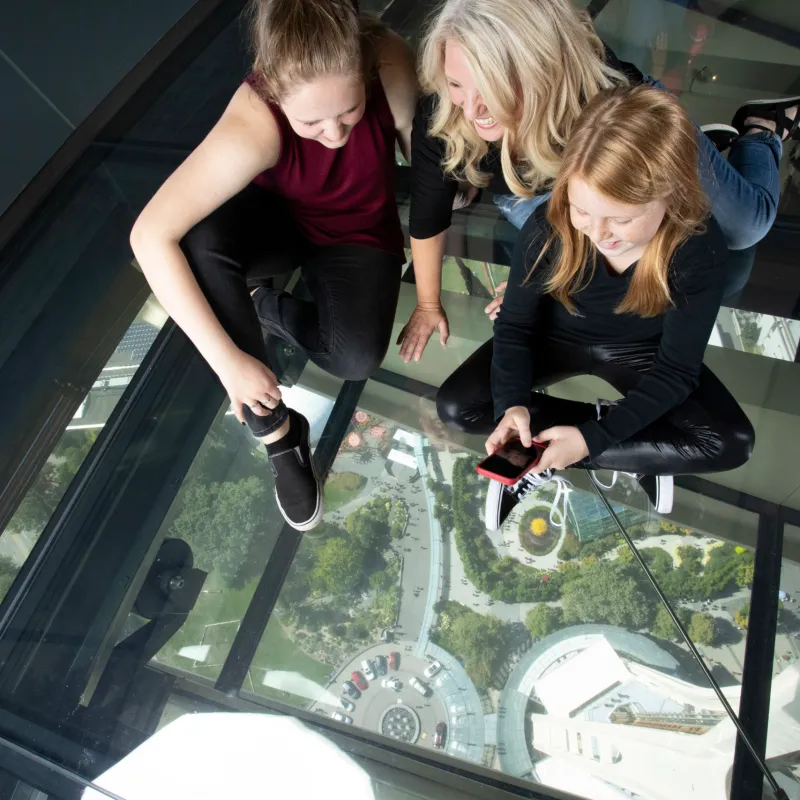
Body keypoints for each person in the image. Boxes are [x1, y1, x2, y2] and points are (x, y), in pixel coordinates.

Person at [130, 0, 417, 531]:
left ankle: (267, 303)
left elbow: (420, 155)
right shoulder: (254, 120)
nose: (335, 135)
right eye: (312, 121)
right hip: (282, 221)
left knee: (355, 360)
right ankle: (278, 436)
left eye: (348, 112)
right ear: (276, 93)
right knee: (200, 237)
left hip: (358, 230)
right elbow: (150, 234)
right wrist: (228, 364)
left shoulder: (391, 60)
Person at [397, 0, 798, 363]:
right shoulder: (446, 113)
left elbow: (634, 201)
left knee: (747, 224)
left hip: (635, 139)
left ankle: (761, 131)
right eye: (456, 83)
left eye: (491, 84)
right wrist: (429, 302)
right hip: (537, 190)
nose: (472, 108)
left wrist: (556, 273)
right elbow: (429, 215)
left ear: (538, 65)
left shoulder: (598, 89)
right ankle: (707, 148)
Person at [436, 86, 755, 526]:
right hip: (556, 336)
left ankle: (550, 456)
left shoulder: (697, 249)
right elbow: (515, 326)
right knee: (458, 406)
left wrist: (592, 440)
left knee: (729, 442)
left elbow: (675, 371)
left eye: (621, 219)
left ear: (671, 194)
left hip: (641, 350)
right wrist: (513, 405)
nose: (598, 233)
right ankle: (638, 447)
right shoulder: (550, 227)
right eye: (583, 210)